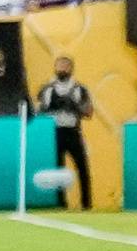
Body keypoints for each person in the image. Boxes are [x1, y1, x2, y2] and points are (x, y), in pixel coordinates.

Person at [35, 58, 96, 210]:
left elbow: (89, 112)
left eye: (65, 66)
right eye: (59, 66)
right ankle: (60, 203)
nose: (62, 69)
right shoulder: (47, 89)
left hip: (73, 131)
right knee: (57, 167)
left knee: (82, 167)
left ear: (71, 69)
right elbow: (38, 110)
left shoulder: (79, 89)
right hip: (54, 132)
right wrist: (47, 109)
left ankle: (86, 204)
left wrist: (75, 106)